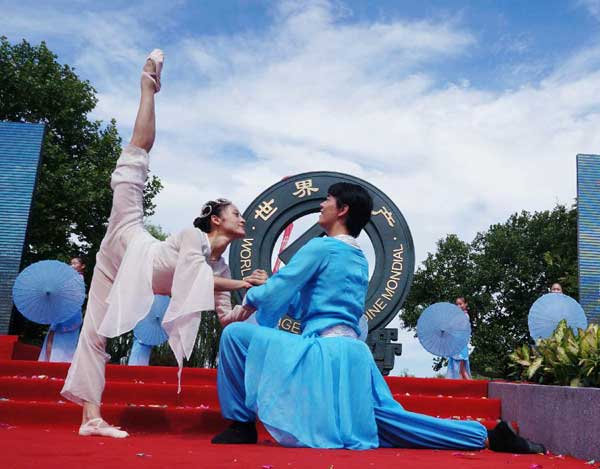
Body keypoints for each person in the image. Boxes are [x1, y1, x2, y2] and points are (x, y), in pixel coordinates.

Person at [211, 182, 545, 454]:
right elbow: (307, 305)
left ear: (342, 210)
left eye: (327, 201)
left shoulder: (321, 248)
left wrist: (251, 295)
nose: (322, 206)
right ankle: (483, 435)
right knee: (384, 420)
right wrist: (273, 291)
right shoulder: (357, 258)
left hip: (325, 353)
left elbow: (275, 294)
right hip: (355, 356)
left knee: (236, 337)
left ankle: (241, 425)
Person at [60, 50, 264, 439]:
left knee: (95, 333)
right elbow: (192, 279)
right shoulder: (192, 238)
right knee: (134, 162)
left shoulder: (220, 270)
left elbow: (224, 319)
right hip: (127, 239)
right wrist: (243, 285)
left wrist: (252, 302)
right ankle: (147, 87)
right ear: (216, 220)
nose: (244, 218)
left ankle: (90, 420)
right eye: (236, 212)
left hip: (127, 269)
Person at [446, 296, 472, 380]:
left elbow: (460, 329)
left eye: (460, 304)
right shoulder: (458, 316)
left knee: (461, 370)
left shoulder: (465, 316)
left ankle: (471, 388)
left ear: (465, 304)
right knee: (461, 370)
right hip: (456, 344)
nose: (458, 306)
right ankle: (468, 388)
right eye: (457, 304)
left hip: (460, 345)